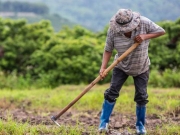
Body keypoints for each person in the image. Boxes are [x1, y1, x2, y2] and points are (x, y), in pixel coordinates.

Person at [98, 9, 165, 134]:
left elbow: (161, 31)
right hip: (121, 65)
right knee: (111, 92)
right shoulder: (113, 30)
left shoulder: (144, 23)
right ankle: (103, 123)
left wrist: (145, 36)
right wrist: (103, 68)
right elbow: (108, 49)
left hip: (141, 66)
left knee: (141, 96)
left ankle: (140, 126)